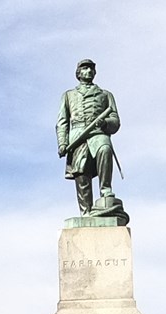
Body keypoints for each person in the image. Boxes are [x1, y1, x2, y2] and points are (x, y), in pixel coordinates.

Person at [56, 59, 122, 217]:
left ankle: (106, 191)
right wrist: (62, 143)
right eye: (85, 68)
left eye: (92, 68)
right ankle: (86, 212)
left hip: (99, 133)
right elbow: (62, 121)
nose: (89, 71)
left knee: (105, 149)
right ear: (78, 73)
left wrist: (105, 122)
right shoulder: (69, 95)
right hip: (77, 134)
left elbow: (115, 120)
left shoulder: (106, 95)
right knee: (81, 171)